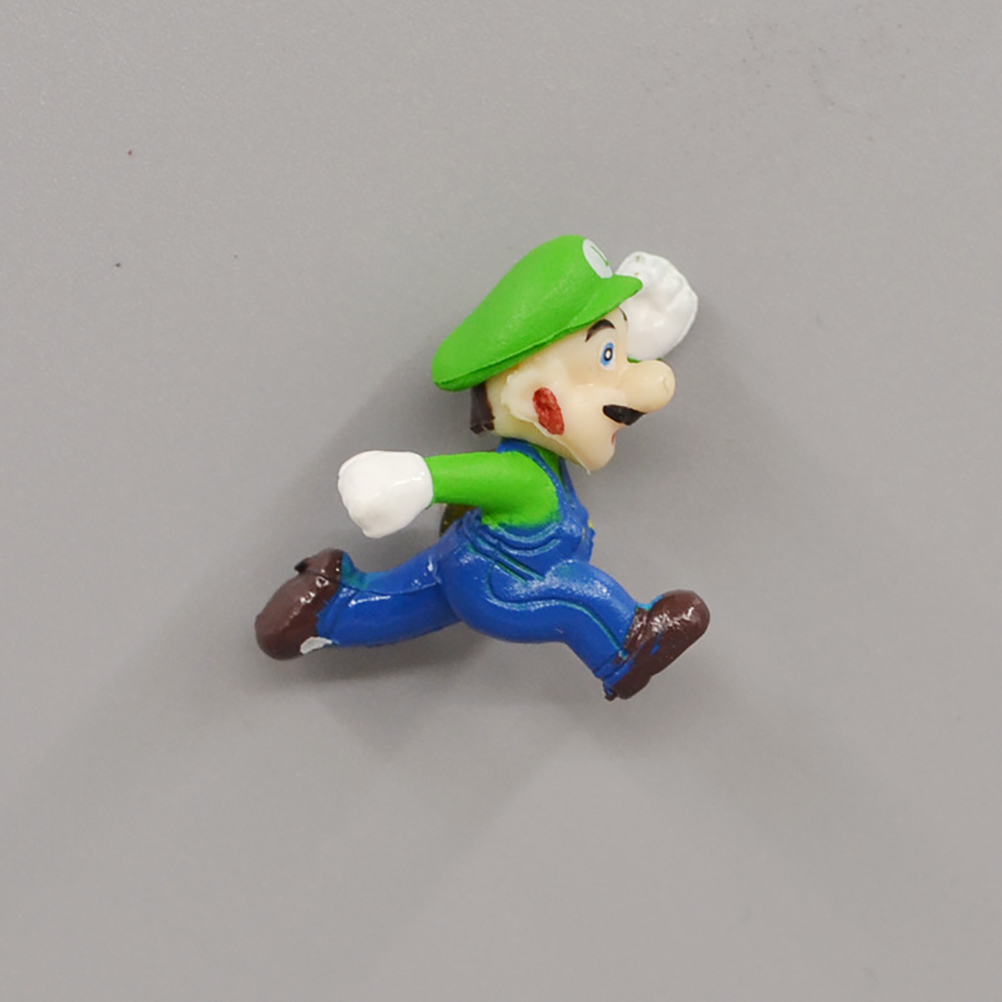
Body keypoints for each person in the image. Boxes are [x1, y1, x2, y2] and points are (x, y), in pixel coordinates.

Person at [255, 235, 709, 700]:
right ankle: (628, 646)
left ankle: (329, 610)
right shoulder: (525, 475)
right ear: (537, 400)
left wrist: (642, 336)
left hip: (469, 565)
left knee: (415, 597)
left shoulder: (539, 457)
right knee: (576, 592)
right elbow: (471, 477)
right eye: (608, 356)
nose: (649, 391)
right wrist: (416, 479)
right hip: (505, 587)